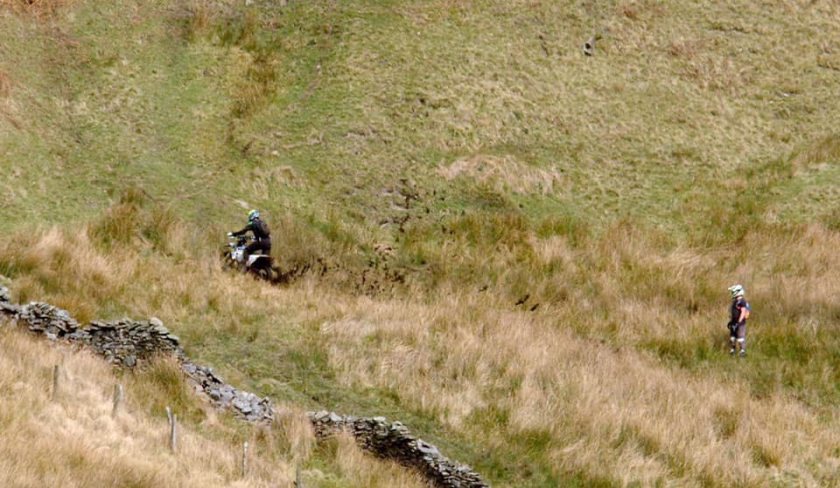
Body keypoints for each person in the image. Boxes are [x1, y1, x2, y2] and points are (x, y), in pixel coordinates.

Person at [727, 284, 751, 357]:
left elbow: (743, 312)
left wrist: (739, 322)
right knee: (732, 337)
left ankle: (742, 351)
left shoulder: (742, 302)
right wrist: (731, 322)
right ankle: (733, 349)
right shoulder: (735, 301)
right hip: (734, 322)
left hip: (740, 323)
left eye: (733, 291)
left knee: (740, 337)